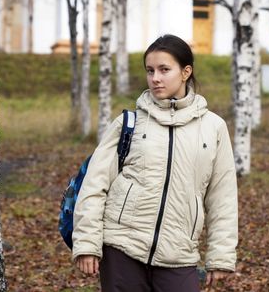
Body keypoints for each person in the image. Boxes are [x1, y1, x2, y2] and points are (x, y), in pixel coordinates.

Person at [72, 34, 238, 292]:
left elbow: (223, 196)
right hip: (122, 247)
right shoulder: (129, 123)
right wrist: (87, 243)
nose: (155, 78)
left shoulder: (213, 127)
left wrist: (221, 256)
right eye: (150, 71)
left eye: (164, 69)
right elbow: (94, 185)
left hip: (179, 252)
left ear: (185, 72)